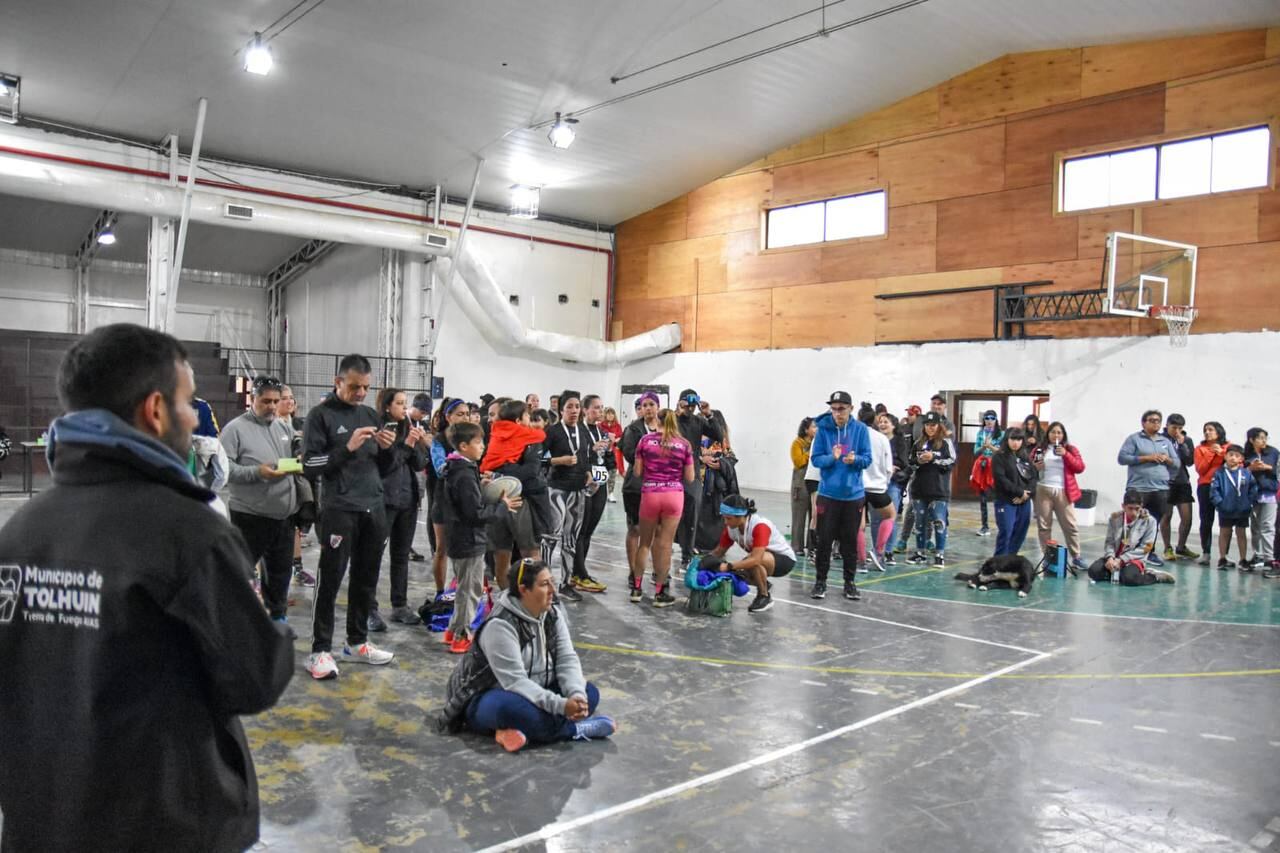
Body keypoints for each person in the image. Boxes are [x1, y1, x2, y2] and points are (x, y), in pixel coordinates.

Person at [0, 323, 292, 852]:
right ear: (155, 410)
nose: (192, 419)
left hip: (41, 817)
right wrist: (275, 631)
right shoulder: (189, 532)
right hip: (160, 823)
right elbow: (255, 678)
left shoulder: (22, 531)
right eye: (187, 404)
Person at [438, 560, 614, 752]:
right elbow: (516, 683)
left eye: (552, 582)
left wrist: (576, 695)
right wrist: (562, 706)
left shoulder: (552, 614)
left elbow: (566, 658)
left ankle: (511, 731)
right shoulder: (500, 626)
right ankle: (575, 730)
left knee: (590, 694)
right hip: (485, 695)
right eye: (544, 584)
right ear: (524, 590)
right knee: (509, 709)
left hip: (535, 687)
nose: (552, 590)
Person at [302, 353, 396, 680]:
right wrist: (347, 448)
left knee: (366, 580)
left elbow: (384, 469)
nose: (360, 393)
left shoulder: (370, 414)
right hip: (339, 509)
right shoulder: (320, 416)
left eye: (365, 387)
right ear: (338, 381)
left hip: (373, 507)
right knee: (331, 578)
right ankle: (320, 650)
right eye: (354, 386)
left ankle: (356, 643)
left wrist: (389, 449)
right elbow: (308, 465)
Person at [220, 375, 301, 635]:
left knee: (280, 574)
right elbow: (225, 470)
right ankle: (233, 623)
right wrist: (259, 472)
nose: (272, 407)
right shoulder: (234, 429)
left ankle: (277, 620)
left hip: (283, 516)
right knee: (241, 572)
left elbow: (291, 458)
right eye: (266, 401)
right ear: (252, 399)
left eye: (276, 402)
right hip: (250, 515)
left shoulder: (282, 427)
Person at [441, 421, 522, 653]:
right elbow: (475, 514)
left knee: (464, 588)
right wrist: (502, 506)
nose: (483, 446)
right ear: (464, 446)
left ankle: (452, 629)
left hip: (459, 539)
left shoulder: (459, 468)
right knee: (470, 590)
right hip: (469, 541)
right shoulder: (464, 475)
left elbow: (467, 500)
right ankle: (461, 635)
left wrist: (480, 484)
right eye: (478, 442)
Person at [368, 387, 430, 631]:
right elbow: (387, 465)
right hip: (384, 500)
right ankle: (369, 609)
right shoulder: (379, 431)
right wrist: (408, 444)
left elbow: (418, 463)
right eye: (399, 404)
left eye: (405, 404)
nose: (404, 409)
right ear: (386, 406)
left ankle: (399, 605)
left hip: (408, 500)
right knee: (372, 556)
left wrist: (416, 443)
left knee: (401, 555)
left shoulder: (407, 427)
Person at [809, 390, 872, 600]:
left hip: (853, 495)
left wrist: (855, 460)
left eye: (842, 409)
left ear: (851, 409)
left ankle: (849, 583)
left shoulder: (861, 430)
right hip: (828, 494)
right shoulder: (823, 431)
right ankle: (820, 582)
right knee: (824, 540)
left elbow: (867, 458)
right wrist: (832, 458)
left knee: (849, 542)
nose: (837, 413)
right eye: (834, 409)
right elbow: (816, 460)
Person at [630, 408, 695, 606]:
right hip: (674, 496)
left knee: (644, 544)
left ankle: (637, 589)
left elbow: (637, 472)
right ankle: (660, 593)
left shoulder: (645, 441)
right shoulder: (684, 445)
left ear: (657, 420)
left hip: (650, 494)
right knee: (665, 546)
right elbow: (690, 478)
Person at [480, 399, 548, 588]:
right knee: (526, 552)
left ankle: (511, 599)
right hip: (517, 500)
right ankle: (529, 599)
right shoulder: (528, 437)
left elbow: (486, 464)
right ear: (519, 419)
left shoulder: (495, 433)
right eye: (527, 415)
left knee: (503, 555)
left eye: (495, 415)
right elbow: (530, 472)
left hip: (495, 495)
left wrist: (497, 473)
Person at [706, 494, 797, 613]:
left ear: (740, 516)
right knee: (735, 572)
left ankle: (764, 596)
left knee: (751, 562)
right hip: (762, 557)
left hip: (784, 561)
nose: (725, 522)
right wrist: (703, 560)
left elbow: (756, 559)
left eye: (728, 518)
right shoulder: (731, 529)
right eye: (724, 518)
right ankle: (763, 582)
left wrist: (728, 566)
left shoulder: (760, 526)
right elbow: (719, 552)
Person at [543, 390, 591, 602]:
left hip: (578, 490)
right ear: (561, 409)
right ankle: (544, 583)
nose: (574, 410)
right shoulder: (551, 432)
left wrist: (589, 472)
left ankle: (565, 583)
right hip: (557, 489)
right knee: (551, 536)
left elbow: (585, 456)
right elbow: (539, 459)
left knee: (570, 538)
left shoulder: (583, 430)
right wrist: (559, 461)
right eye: (569, 406)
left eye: (577, 406)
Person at [1116, 409, 1180, 567]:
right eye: (1152, 420)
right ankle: (1128, 552)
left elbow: (1177, 463)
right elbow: (1122, 458)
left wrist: (1167, 460)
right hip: (1138, 488)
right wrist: (1146, 458)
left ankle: (1149, 552)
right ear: (1143, 423)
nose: (1156, 423)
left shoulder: (1165, 441)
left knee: (1154, 522)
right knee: (1134, 521)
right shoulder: (1134, 439)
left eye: (1158, 420)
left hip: (1160, 489)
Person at [426, 398, 471, 601]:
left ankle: (462, 593)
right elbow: (440, 468)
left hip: (467, 501)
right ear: (448, 417)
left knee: (466, 551)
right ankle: (439, 593)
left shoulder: (472, 439)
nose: (465, 418)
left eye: (467, 414)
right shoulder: (439, 441)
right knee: (442, 549)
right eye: (460, 414)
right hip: (444, 500)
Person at [674, 388, 724, 565]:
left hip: (692, 474)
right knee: (670, 515)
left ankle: (687, 554)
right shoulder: (671, 420)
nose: (690, 409)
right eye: (688, 405)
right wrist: (678, 413)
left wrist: (709, 414)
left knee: (691, 514)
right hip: (671, 473)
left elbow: (718, 435)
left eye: (693, 406)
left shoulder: (698, 420)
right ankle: (664, 549)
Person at [1086, 490, 1175, 586]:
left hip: (1134, 559)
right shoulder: (1114, 518)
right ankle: (1120, 573)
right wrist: (1110, 557)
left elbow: (1146, 548)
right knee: (1093, 571)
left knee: (1129, 579)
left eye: (1137, 509)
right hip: (1115, 557)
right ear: (1123, 506)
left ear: (1141, 506)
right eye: (1130, 508)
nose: (1134, 512)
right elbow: (1109, 542)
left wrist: (1122, 559)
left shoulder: (1150, 522)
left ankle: (1154, 577)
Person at [621, 392, 662, 595]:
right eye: (644, 405)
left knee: (657, 532)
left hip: (659, 487)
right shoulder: (633, 429)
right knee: (635, 529)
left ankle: (658, 570)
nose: (647, 408)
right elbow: (629, 453)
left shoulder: (666, 428)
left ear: (658, 407)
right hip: (636, 487)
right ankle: (633, 571)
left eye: (651, 404)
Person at [1032, 421, 1087, 571]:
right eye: (1053, 432)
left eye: (1059, 432)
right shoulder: (1040, 449)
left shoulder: (1070, 449)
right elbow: (1030, 466)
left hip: (1063, 490)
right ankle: (1047, 556)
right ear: (1047, 434)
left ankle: (1076, 556)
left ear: (1063, 435)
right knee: (1044, 525)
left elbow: (1080, 467)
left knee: (1070, 525)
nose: (1056, 435)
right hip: (1043, 489)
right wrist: (1036, 465)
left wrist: (1066, 455)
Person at [278, 384, 317, 586]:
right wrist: (295, 464)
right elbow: (273, 462)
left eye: (291, 397)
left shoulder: (300, 424)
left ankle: (297, 569)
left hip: (298, 486)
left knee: (295, 528)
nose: (289, 401)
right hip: (276, 488)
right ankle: (259, 575)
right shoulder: (270, 427)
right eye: (284, 398)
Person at [573, 394, 612, 594]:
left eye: (601, 407)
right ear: (585, 410)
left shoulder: (602, 431)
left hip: (601, 483)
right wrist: (591, 449)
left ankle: (579, 570)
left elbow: (608, 461)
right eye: (595, 407)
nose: (599, 411)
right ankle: (579, 572)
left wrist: (609, 450)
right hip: (584, 483)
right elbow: (577, 455)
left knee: (589, 531)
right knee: (580, 530)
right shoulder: (579, 431)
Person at [907, 411, 956, 568]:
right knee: (920, 523)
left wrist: (934, 458)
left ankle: (939, 554)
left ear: (939, 426)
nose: (930, 428)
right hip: (919, 489)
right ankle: (920, 552)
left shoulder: (946, 443)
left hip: (938, 490)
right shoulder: (918, 443)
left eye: (933, 425)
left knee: (939, 522)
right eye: (927, 425)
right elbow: (910, 462)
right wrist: (920, 460)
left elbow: (951, 462)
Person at [856, 407, 895, 572]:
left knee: (859, 525)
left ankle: (861, 561)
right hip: (877, 488)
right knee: (890, 515)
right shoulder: (881, 438)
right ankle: (878, 552)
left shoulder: (855, 437)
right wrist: (884, 482)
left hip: (857, 488)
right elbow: (888, 467)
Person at [1159, 413, 1199, 562]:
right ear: (1167, 425)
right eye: (1174, 427)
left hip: (1182, 481)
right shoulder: (1160, 439)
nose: (1176, 431)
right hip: (1165, 482)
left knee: (1187, 517)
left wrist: (1182, 445)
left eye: (1180, 428)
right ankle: (1167, 547)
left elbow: (1189, 462)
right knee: (1166, 515)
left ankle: (1181, 547)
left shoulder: (1187, 440)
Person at [992, 427, 1037, 557]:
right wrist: (1019, 493)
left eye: (1019, 439)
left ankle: (1010, 560)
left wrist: (1026, 495)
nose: (1015, 442)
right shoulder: (999, 457)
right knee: (1006, 531)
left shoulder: (1025, 457)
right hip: (1006, 501)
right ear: (1007, 439)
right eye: (1013, 439)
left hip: (1024, 502)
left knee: (1020, 532)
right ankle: (998, 563)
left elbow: (1033, 477)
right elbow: (1001, 479)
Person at [1211, 444, 1256, 570]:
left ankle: (1242, 559)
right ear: (1225, 456)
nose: (1233, 458)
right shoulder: (1219, 473)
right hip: (1226, 509)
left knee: (1241, 533)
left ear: (1241, 459)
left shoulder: (1246, 473)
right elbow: (1214, 490)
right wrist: (1220, 503)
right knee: (1225, 532)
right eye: (1230, 455)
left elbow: (1253, 487)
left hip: (1242, 509)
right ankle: (1222, 558)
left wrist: (1249, 502)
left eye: (1237, 456)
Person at [1193, 421, 1228, 566]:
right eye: (1205, 430)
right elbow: (1200, 470)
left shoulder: (1228, 447)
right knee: (1206, 520)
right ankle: (1206, 553)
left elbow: (1238, 462)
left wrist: (1221, 452)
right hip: (1206, 486)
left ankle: (1224, 555)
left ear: (1218, 432)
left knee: (1226, 520)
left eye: (1211, 429)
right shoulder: (1200, 449)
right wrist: (1210, 454)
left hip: (1225, 487)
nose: (1207, 432)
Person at [1243, 428, 1277, 572]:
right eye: (1260, 438)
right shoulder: (1247, 454)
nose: (1264, 441)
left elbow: (1277, 469)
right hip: (1253, 494)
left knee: (1268, 526)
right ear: (1252, 440)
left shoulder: (1273, 452)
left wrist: (1267, 467)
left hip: (1269, 493)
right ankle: (1258, 555)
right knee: (1255, 527)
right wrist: (1251, 468)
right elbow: (1240, 471)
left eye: (1265, 438)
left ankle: (1269, 558)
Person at [879, 412, 910, 566]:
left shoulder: (900, 441)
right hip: (877, 483)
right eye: (881, 421)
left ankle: (889, 550)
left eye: (886, 422)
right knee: (877, 519)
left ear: (893, 425)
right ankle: (878, 550)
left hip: (892, 482)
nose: (883, 424)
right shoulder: (876, 440)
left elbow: (904, 463)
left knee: (890, 517)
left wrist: (893, 468)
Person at [407, 392, 433, 562]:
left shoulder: (420, 424)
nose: (422, 416)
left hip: (418, 469)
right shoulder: (404, 423)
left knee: (413, 507)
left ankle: (407, 545)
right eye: (421, 412)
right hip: (406, 470)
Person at [973, 410, 1002, 536]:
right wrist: (984, 447)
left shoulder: (1001, 434)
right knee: (983, 497)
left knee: (998, 497)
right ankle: (985, 526)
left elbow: (1003, 452)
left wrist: (991, 447)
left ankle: (1002, 525)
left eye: (992, 418)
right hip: (982, 467)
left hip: (996, 467)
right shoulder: (981, 433)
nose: (989, 421)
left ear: (996, 420)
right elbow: (975, 452)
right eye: (987, 418)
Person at [790, 417, 816, 555]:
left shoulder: (818, 443)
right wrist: (811, 453)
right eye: (813, 427)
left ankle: (812, 546)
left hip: (815, 484)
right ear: (806, 429)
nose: (816, 429)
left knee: (815, 516)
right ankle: (796, 547)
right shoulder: (797, 443)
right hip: (800, 485)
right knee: (798, 518)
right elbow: (798, 461)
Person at [600, 406, 624, 502]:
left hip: (613, 452)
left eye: (612, 413)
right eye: (608, 413)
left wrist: (615, 440)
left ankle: (611, 493)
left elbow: (620, 437)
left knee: (612, 474)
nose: (610, 415)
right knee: (602, 473)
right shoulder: (600, 425)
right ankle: (602, 493)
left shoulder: (617, 426)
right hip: (602, 453)